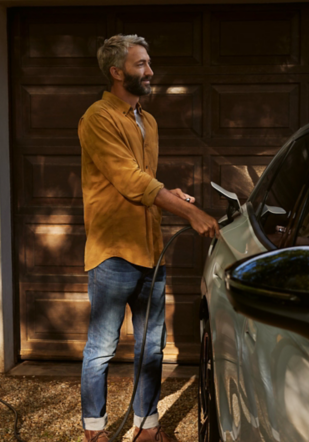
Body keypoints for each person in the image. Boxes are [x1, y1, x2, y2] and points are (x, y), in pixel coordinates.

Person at [78, 34, 219, 442]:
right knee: (102, 349)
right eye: (141, 64)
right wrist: (190, 211)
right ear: (117, 72)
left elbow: (145, 183)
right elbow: (128, 180)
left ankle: (146, 428)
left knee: (152, 348)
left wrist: (168, 196)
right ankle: (94, 432)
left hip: (151, 251)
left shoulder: (148, 121)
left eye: (149, 63)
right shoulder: (98, 119)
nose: (150, 71)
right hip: (113, 254)